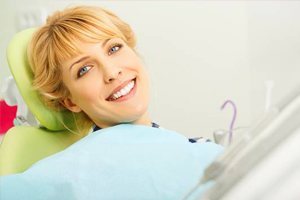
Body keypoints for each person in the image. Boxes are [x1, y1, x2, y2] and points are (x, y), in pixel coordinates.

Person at [28, 5, 210, 143]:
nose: (112, 72)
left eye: (114, 48)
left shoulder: (186, 146)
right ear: (70, 101)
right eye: (84, 69)